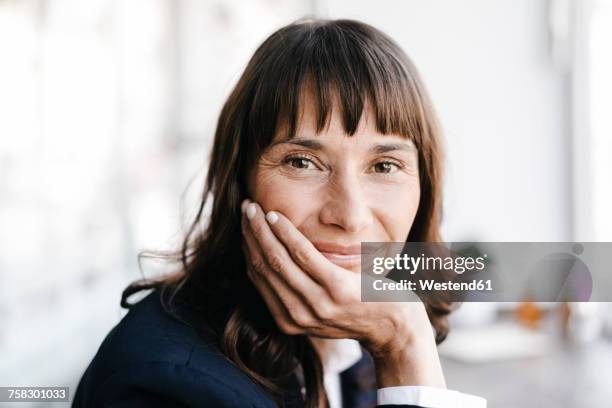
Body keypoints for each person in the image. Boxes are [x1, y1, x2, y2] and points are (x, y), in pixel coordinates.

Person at [73, 18, 486, 408]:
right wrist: (403, 345)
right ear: (241, 181)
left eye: (383, 167)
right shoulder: (167, 386)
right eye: (302, 162)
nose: (351, 215)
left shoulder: (352, 340)